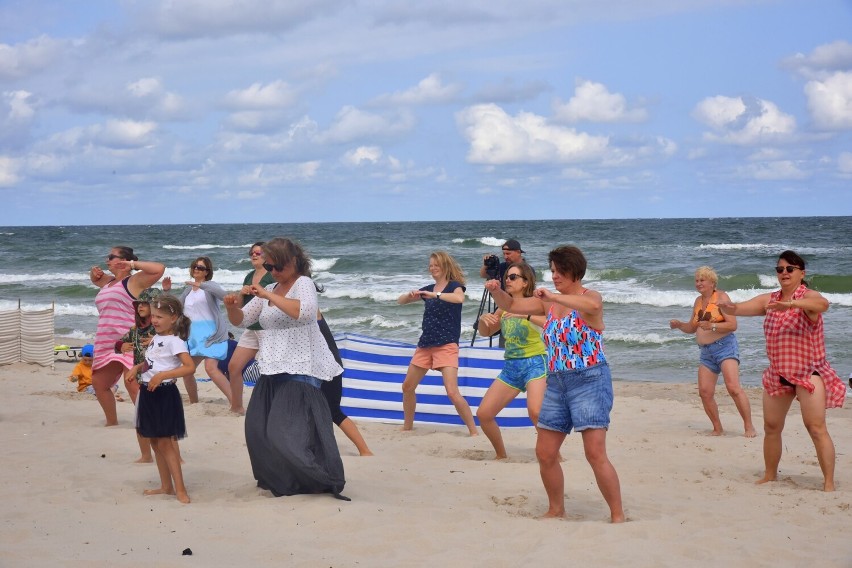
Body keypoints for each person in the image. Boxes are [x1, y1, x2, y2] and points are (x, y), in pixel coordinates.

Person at [485, 245, 624, 523]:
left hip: (590, 379)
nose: (555, 276)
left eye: (560, 271)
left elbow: (594, 307)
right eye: (552, 271)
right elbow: (512, 306)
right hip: (557, 381)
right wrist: (496, 291)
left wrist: (556, 296)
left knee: (594, 453)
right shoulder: (551, 301)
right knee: (545, 452)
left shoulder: (588, 298)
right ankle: (556, 509)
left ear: (575, 272)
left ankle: (617, 515)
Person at [223, 237, 348, 500]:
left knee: (282, 434)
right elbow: (243, 320)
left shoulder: (303, 284)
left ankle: (319, 480)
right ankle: (280, 479)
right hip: (272, 365)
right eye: (269, 267)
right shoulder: (273, 287)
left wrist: (267, 293)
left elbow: (304, 312)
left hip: (300, 368)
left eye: (276, 266)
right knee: (257, 430)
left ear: (291, 261)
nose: (273, 272)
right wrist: (231, 308)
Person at [718, 250, 847, 492]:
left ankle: (828, 482)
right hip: (779, 372)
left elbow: (823, 304)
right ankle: (769, 475)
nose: (784, 273)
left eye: (789, 269)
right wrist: (726, 306)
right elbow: (738, 309)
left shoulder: (807, 297)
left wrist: (790, 303)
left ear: (801, 273)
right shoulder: (770, 299)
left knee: (815, 427)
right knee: (772, 427)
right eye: (780, 269)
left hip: (809, 372)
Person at [669, 266, 756, 437]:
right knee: (705, 392)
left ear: (712, 282)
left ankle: (749, 426)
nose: (698, 283)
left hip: (725, 347)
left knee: (733, 388)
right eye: (696, 280)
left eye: (702, 280)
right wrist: (679, 325)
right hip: (706, 352)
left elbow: (732, 325)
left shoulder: (721, 297)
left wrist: (712, 325)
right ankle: (717, 428)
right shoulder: (698, 301)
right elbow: (692, 328)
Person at [398, 251, 478, 436]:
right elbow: (400, 301)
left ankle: (473, 431)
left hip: (447, 345)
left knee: (452, 392)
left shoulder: (454, 286)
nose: (433, 268)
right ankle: (407, 426)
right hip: (425, 344)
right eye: (431, 265)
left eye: (437, 265)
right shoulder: (429, 288)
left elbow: (459, 299)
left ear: (445, 266)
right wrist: (410, 295)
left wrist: (435, 295)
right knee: (407, 387)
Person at [476, 262, 547, 459]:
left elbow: (551, 324)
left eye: (513, 277)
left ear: (525, 282)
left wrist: (526, 315)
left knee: (535, 412)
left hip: (535, 362)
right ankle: (501, 455)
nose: (508, 279)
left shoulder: (536, 303)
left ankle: (552, 454)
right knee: (484, 414)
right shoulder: (503, 308)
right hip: (511, 367)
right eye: (507, 276)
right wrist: (483, 320)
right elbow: (486, 332)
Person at [128, 294, 194, 504]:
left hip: (164, 394)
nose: (154, 320)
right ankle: (166, 486)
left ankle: (180, 489)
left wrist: (163, 376)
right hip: (148, 392)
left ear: (173, 318)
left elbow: (189, 367)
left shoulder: (176, 342)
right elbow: (152, 363)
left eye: (159, 317)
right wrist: (137, 367)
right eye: (154, 316)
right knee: (155, 443)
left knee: (166, 443)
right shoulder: (156, 338)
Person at [89, 247, 165, 426]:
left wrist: (132, 265)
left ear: (122, 261)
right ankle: (111, 422)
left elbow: (159, 268)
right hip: (107, 342)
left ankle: (152, 424)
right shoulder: (108, 282)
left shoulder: (134, 281)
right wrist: (93, 274)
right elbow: (95, 281)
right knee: (99, 384)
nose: (107, 260)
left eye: (111, 257)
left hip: (129, 341)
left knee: (132, 383)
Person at [163, 256, 231, 404]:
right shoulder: (188, 290)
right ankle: (194, 403)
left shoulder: (210, 286)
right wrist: (167, 292)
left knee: (211, 369)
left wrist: (201, 285)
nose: (196, 269)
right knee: (187, 372)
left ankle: (235, 401)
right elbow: (175, 308)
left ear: (207, 272)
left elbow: (224, 296)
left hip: (212, 335)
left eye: (200, 268)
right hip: (193, 337)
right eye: (195, 266)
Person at [116, 287, 163, 462]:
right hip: (142, 381)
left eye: (145, 303)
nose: (140, 306)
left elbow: (179, 339)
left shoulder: (162, 329)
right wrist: (120, 346)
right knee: (141, 418)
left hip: (161, 379)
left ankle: (175, 455)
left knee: (163, 420)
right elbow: (120, 341)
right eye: (139, 303)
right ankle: (146, 455)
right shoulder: (135, 329)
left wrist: (157, 340)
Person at [317, 312, 374, 456]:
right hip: (319, 367)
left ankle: (365, 450)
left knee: (333, 411)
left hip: (329, 367)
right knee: (322, 410)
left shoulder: (309, 308)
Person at [227, 242, 275, 414]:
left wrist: (261, 292)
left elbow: (276, 301)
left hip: (268, 330)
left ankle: (270, 407)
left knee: (269, 371)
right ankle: (237, 407)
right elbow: (240, 309)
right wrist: (241, 293)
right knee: (234, 367)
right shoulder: (249, 276)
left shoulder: (272, 276)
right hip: (251, 328)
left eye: (258, 252)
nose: (254, 255)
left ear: (267, 255)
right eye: (251, 252)